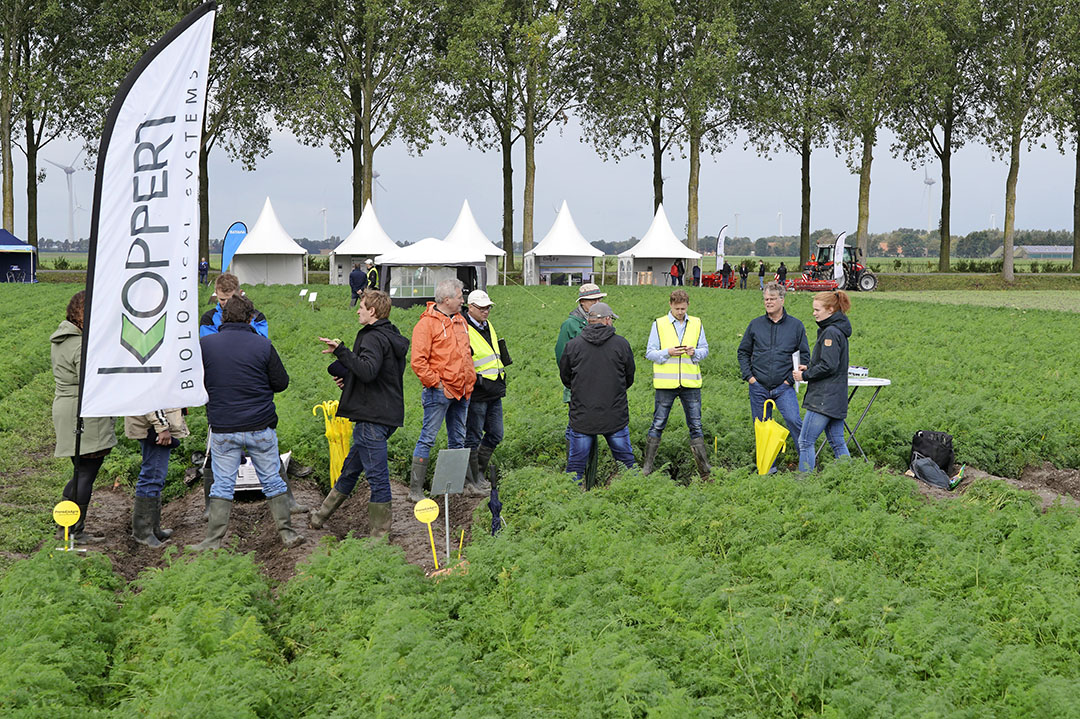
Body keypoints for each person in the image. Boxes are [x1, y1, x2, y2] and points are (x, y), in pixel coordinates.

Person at [190, 295, 303, 550]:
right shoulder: (263, 345)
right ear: (251, 317)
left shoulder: (205, 345)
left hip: (223, 427)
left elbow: (195, 382)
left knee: (223, 484)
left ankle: (212, 541)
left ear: (223, 316)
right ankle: (287, 534)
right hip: (259, 425)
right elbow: (281, 383)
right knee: (272, 480)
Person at [311, 290, 409, 537]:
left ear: (372, 311)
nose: (358, 310)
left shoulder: (372, 337)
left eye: (362, 307)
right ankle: (319, 517)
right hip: (386, 413)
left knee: (377, 478)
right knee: (350, 470)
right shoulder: (391, 335)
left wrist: (342, 351)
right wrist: (351, 378)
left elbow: (367, 370)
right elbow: (381, 373)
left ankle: (380, 536)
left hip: (371, 417)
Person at [51, 291, 117, 544]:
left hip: (69, 409)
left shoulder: (64, 338)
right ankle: (72, 530)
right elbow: (91, 379)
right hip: (83, 413)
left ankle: (65, 526)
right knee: (86, 473)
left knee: (81, 471)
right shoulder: (79, 345)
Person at [408, 278, 475, 502]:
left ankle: (457, 486)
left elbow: (466, 354)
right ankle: (415, 490)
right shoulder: (426, 324)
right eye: (459, 297)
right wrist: (437, 384)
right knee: (427, 437)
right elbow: (418, 361)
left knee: (458, 439)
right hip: (440, 392)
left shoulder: (460, 321)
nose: (462, 301)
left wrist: (468, 382)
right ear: (447, 299)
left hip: (462, 390)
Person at [558, 302, 636, 486]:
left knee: (575, 467)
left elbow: (566, 377)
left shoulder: (573, 346)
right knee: (626, 463)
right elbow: (629, 377)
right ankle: (635, 494)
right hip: (614, 414)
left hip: (583, 415)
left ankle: (570, 503)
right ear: (608, 320)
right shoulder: (621, 344)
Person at [737, 282, 811, 473]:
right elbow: (743, 352)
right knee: (762, 429)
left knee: (795, 421)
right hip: (759, 386)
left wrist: (789, 380)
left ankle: (806, 466)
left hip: (784, 387)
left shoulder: (795, 326)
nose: (768, 302)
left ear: (782, 299)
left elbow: (804, 356)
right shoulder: (755, 325)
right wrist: (750, 378)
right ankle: (768, 467)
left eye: (771, 299)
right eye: (765, 299)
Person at [642, 290, 711, 480]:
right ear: (670, 305)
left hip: (690, 383)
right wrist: (668, 352)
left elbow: (704, 350)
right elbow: (650, 352)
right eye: (677, 308)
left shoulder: (697, 323)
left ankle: (705, 471)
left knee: (696, 425)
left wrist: (694, 352)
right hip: (666, 384)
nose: (680, 312)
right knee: (657, 424)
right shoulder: (659, 324)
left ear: (688, 305)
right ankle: (646, 469)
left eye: (683, 308)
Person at [461, 290, 510, 532]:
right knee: (472, 436)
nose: (486, 310)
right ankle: (471, 481)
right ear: (470, 307)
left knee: (496, 434)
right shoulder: (463, 327)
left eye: (488, 307)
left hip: (494, 389)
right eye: (481, 307)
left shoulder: (487, 324)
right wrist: (477, 381)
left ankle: (479, 473)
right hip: (478, 391)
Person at [792, 290, 853, 473]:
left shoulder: (830, 333)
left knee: (805, 441)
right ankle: (850, 478)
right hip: (836, 397)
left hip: (824, 399)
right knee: (837, 442)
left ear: (831, 310)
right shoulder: (837, 330)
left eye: (817, 309)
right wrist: (809, 368)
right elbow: (829, 363)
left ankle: (805, 483)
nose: (814, 313)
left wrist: (805, 376)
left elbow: (828, 366)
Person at [125, 409, 188, 547]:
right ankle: (143, 533)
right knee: (152, 477)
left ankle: (153, 528)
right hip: (152, 428)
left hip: (152, 426)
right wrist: (162, 427)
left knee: (156, 476)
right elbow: (153, 400)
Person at [200, 272, 268, 338]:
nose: (227, 304)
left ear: (240, 293)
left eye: (230, 299)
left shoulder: (257, 317)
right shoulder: (208, 319)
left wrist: (248, 319)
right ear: (216, 294)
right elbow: (209, 343)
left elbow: (262, 342)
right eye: (222, 299)